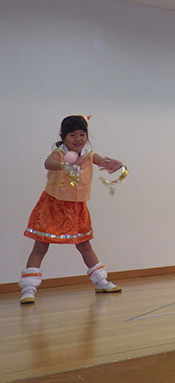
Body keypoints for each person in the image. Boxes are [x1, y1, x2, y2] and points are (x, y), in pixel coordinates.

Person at [19, 115, 125, 304]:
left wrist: (114, 164)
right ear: (63, 136)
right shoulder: (59, 153)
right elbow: (48, 163)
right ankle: (28, 288)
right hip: (53, 205)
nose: (78, 139)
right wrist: (64, 165)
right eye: (72, 135)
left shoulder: (88, 154)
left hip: (76, 207)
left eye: (82, 134)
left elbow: (102, 161)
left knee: (84, 245)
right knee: (41, 246)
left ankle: (101, 282)